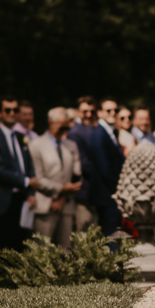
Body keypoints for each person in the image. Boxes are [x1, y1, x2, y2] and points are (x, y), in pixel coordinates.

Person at [0, 97, 38, 286]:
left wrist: (30, 190)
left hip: (20, 198)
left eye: (15, 110)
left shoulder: (20, 137)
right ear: (0, 112)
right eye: (8, 110)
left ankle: (15, 284)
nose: (12, 113)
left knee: (18, 244)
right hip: (2, 200)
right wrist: (25, 181)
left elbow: (28, 164)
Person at [29, 108, 82, 247]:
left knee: (64, 249)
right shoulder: (36, 145)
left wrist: (62, 197)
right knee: (41, 252)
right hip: (45, 205)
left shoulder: (71, 145)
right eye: (61, 126)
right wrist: (61, 189)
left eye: (66, 127)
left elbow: (77, 175)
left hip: (66, 206)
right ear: (50, 123)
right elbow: (38, 179)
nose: (64, 130)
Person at [88, 99, 125, 235]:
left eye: (115, 110)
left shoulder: (110, 131)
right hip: (106, 193)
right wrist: (120, 185)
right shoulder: (99, 134)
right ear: (99, 113)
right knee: (110, 234)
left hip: (110, 193)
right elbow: (105, 169)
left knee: (114, 231)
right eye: (108, 110)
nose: (113, 113)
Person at [68, 97, 98, 232]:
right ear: (77, 112)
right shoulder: (75, 132)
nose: (89, 115)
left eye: (92, 111)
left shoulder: (93, 128)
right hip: (84, 191)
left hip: (95, 191)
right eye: (85, 111)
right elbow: (82, 163)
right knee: (83, 232)